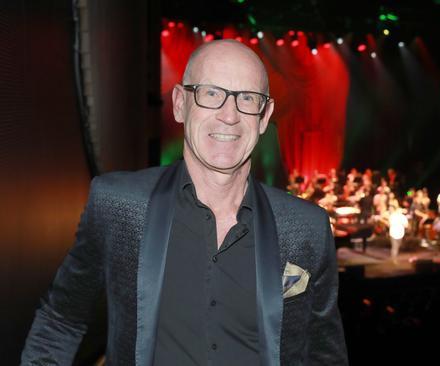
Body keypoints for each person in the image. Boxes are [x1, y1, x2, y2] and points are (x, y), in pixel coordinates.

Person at [21, 40, 348, 366]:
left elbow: (324, 353)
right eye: (210, 93)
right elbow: (61, 318)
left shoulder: (307, 228)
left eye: (247, 98)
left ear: (264, 117)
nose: (229, 115)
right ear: (179, 104)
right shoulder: (117, 206)